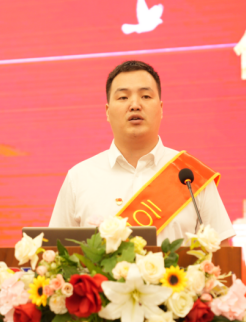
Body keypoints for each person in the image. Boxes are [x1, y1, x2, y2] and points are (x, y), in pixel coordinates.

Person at [48, 60, 235, 245]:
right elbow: (55, 253)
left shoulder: (191, 177)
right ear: (107, 111)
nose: (135, 105)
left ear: (161, 109)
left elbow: (222, 253)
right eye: (123, 97)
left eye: (145, 96)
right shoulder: (79, 177)